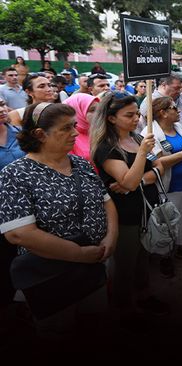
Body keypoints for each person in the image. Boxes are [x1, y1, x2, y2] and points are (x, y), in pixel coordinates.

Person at [0, 102, 117, 328]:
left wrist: (111, 238)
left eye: (74, 125)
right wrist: (80, 253)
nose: (75, 132)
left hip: (92, 267)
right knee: (59, 337)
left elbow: (107, 201)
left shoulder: (80, 164)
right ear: (40, 134)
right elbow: (20, 235)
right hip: (52, 276)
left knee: (95, 326)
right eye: (65, 128)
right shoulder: (15, 175)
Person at [91, 92, 169, 325]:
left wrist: (140, 180)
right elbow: (128, 180)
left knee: (143, 258)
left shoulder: (136, 138)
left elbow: (159, 167)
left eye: (137, 113)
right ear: (111, 118)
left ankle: (143, 296)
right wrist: (142, 159)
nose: (136, 119)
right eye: (129, 115)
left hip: (147, 210)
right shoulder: (106, 148)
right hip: (124, 216)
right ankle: (123, 310)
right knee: (125, 265)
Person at [142, 97, 182, 278]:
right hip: (168, 188)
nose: (179, 111)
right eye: (174, 108)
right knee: (167, 223)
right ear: (163, 112)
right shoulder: (150, 133)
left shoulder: (179, 127)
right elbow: (157, 162)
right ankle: (165, 256)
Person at [0, 98, 25, 329]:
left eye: (3, 104)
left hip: (27, 210)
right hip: (2, 213)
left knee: (24, 256)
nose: (2, 110)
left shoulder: (18, 133)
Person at [65, 93, 99, 163]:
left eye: (100, 110)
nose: (98, 114)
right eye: (92, 110)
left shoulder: (101, 131)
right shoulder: (68, 137)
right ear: (77, 112)